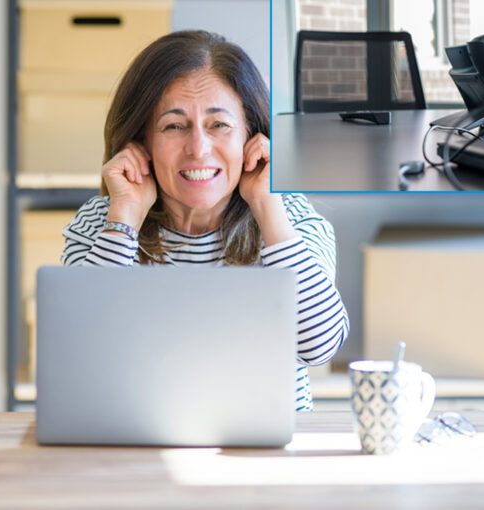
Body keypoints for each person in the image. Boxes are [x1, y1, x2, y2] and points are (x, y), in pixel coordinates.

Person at [61, 30, 348, 412]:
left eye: (219, 125)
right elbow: (77, 352)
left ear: (252, 136)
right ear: (141, 141)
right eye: (174, 126)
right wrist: (125, 218)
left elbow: (319, 346)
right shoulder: (102, 222)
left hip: (268, 451)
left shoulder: (290, 218)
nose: (198, 148)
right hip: (135, 444)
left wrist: (266, 207)